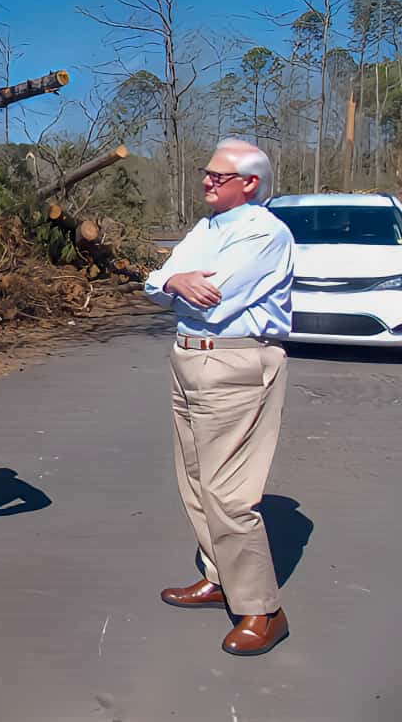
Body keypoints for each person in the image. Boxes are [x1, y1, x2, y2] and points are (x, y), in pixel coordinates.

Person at [145, 138, 294, 656]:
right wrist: (173, 280)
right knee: (194, 480)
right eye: (205, 172)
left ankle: (261, 609)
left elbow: (214, 300)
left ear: (249, 184)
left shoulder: (263, 233)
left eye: (218, 175)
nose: (206, 181)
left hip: (233, 359)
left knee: (229, 493)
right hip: (188, 357)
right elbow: (154, 281)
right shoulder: (207, 228)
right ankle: (219, 577)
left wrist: (176, 281)